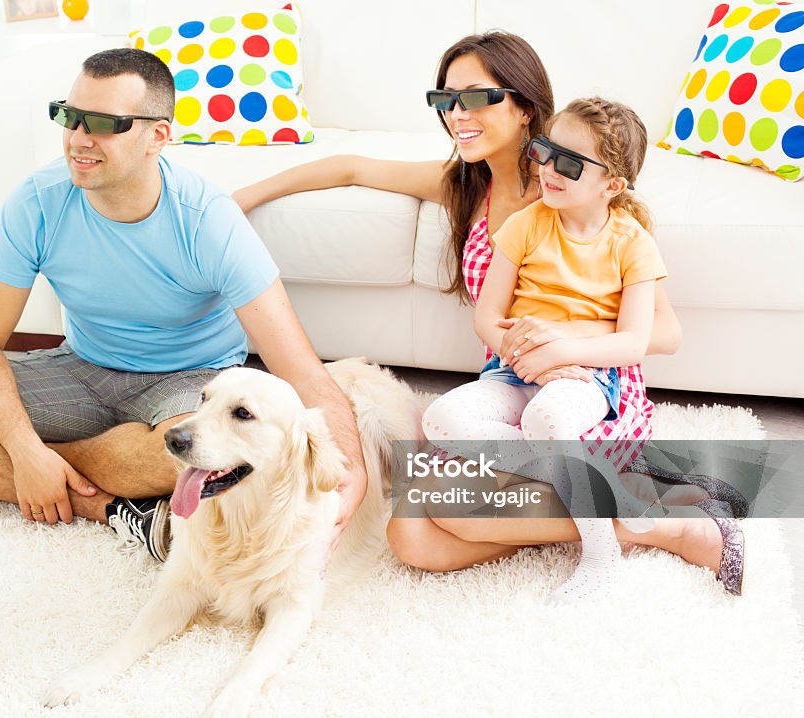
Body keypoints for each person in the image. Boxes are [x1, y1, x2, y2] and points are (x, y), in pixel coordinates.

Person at [233, 32, 745, 595]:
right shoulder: (465, 186)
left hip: (583, 394)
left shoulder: (573, 196)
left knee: (445, 512)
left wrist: (555, 344)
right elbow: (352, 167)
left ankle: (680, 524)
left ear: (524, 106)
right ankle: (630, 517)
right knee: (413, 540)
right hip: (508, 388)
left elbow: (663, 333)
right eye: (446, 100)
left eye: (476, 97)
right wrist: (237, 200)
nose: (458, 114)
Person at [0, 48, 368, 564]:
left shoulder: (209, 220)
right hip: (83, 366)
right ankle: (111, 509)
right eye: (70, 116)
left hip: (190, 381)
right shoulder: (35, 201)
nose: (78, 138)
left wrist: (349, 472)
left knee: (191, 454)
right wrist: (24, 453)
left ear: (158, 135)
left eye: (106, 123)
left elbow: (297, 366)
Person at [423, 97, 674, 604]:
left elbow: (633, 341)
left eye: (569, 162)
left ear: (613, 185)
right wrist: (519, 357)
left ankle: (602, 555)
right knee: (440, 419)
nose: (547, 168)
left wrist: (563, 353)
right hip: (514, 370)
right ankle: (581, 476)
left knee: (549, 421)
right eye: (544, 150)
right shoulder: (525, 224)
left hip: (587, 374)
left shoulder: (632, 243)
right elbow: (487, 317)